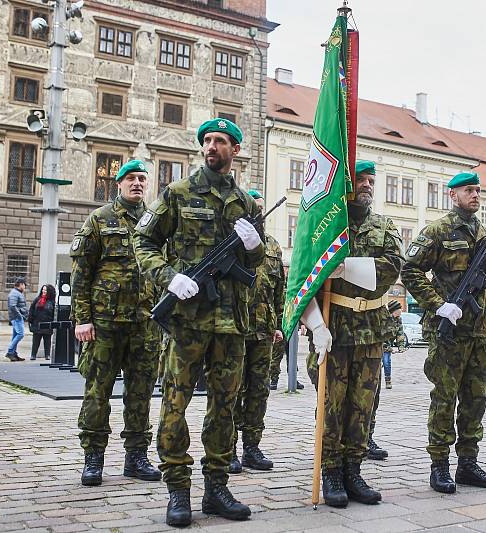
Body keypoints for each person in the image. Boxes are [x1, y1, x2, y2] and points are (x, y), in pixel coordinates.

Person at [134, 118, 264, 527]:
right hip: (188, 323)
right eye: (207, 140)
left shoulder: (247, 204)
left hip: (231, 326)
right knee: (175, 405)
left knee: (224, 409)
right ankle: (177, 489)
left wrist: (255, 247)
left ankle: (216, 488)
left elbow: (254, 265)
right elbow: (144, 241)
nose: (211, 146)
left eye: (220, 141)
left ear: (234, 150)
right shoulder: (178, 193)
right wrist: (168, 276)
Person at [401, 171, 486, 494]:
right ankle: (439, 466)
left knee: (475, 400)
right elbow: (409, 269)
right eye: (469, 190)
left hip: (481, 335)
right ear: (452, 195)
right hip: (449, 333)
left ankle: (468, 463)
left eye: (478, 190)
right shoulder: (438, 231)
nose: (475, 195)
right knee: (444, 399)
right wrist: (438, 305)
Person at [301, 160, 403, 507]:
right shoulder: (328, 225)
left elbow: (393, 267)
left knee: (363, 406)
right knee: (332, 405)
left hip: (371, 331)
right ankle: (330, 471)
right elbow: (305, 276)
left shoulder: (383, 226)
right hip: (336, 326)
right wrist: (314, 324)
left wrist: (349, 267)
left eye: (371, 180)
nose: (367, 186)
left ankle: (353, 470)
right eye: (360, 180)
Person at [70, 159, 162, 488]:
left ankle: (136, 457)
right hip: (105, 325)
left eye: (142, 179)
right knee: (97, 393)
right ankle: (93, 457)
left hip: (144, 325)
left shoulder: (155, 222)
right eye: (131, 178)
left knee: (140, 395)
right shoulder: (100, 219)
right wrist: (83, 319)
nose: (137, 183)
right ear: (119, 183)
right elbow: (81, 276)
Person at [230, 189, 284, 475]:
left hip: (264, 331)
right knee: (231, 391)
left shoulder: (273, 247)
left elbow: (280, 290)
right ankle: (229, 449)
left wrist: (279, 324)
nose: (258, 214)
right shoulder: (232, 244)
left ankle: (252, 446)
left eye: (260, 209)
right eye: (253, 210)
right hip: (236, 328)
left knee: (258, 391)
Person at [367, 300, 407, 461]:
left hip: (373, 351)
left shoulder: (386, 310)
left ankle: (365, 440)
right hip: (352, 343)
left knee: (371, 399)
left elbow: (398, 333)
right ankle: (335, 447)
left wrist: (401, 344)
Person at [28, 284, 56, 360]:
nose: (44, 291)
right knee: (35, 341)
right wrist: (30, 320)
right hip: (37, 323)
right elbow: (31, 310)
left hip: (47, 324)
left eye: (45, 290)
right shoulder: (37, 299)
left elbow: (54, 313)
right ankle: (33, 355)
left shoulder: (52, 302)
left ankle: (47, 355)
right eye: (43, 289)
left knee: (47, 341)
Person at [5, 278, 27, 361]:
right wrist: (20, 316)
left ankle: (13, 354)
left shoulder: (17, 292)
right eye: (24, 285)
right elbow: (12, 306)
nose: (24, 287)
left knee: (15, 335)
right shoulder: (15, 293)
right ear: (21, 284)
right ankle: (10, 352)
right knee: (20, 334)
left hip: (16, 317)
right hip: (16, 318)